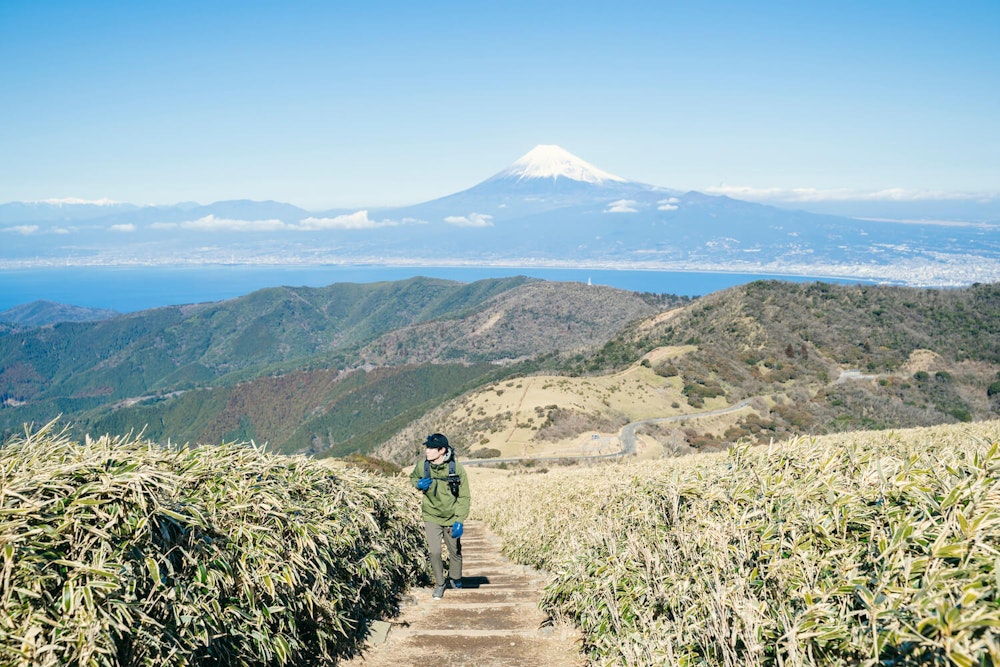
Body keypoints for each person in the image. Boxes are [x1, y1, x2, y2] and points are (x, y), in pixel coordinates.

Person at [410, 433, 470, 599]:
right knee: (435, 552)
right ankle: (440, 584)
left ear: (442, 450)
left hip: (451, 516)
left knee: (455, 551)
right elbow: (413, 477)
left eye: (431, 448)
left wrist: (459, 520)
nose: (427, 451)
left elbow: (464, 496)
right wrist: (418, 484)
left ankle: (456, 578)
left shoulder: (456, 469)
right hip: (431, 515)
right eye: (427, 447)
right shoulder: (423, 466)